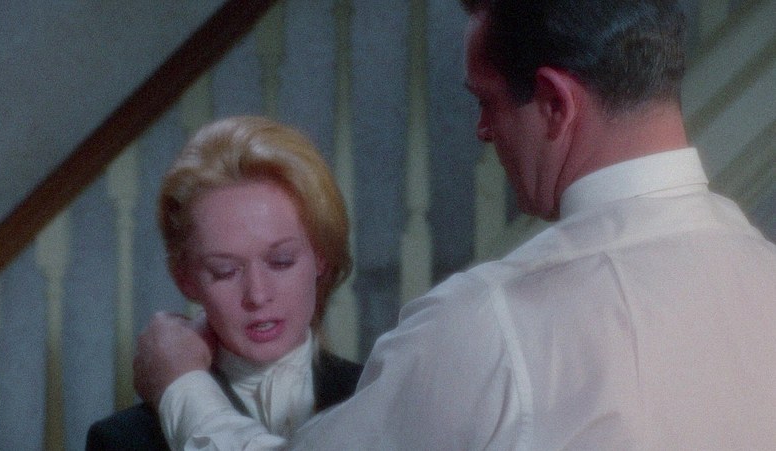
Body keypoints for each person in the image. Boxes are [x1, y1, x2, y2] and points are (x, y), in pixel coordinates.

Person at [133, 1, 776, 449]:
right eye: (225, 268)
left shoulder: (491, 321)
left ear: (555, 102)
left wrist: (183, 387)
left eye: (486, 102)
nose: (482, 131)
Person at [85, 116, 363, 450]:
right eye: (225, 271)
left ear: (321, 256)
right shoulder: (121, 440)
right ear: (185, 279)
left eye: (281, 262)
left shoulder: (380, 395)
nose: (257, 294)